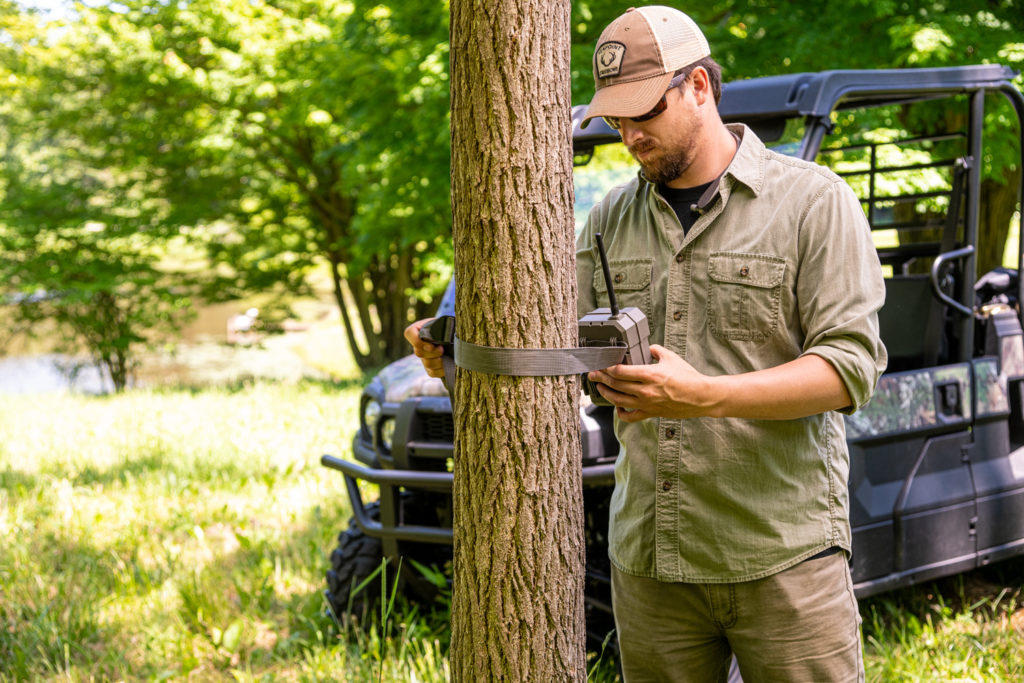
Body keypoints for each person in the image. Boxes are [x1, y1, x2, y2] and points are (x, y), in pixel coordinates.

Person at [407, 6, 886, 681]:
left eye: (644, 113)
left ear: (698, 87)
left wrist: (703, 397)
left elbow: (849, 369)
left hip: (783, 558)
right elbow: (557, 355)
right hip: (651, 563)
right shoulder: (608, 220)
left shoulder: (814, 203)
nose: (629, 134)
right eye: (617, 120)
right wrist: (454, 354)